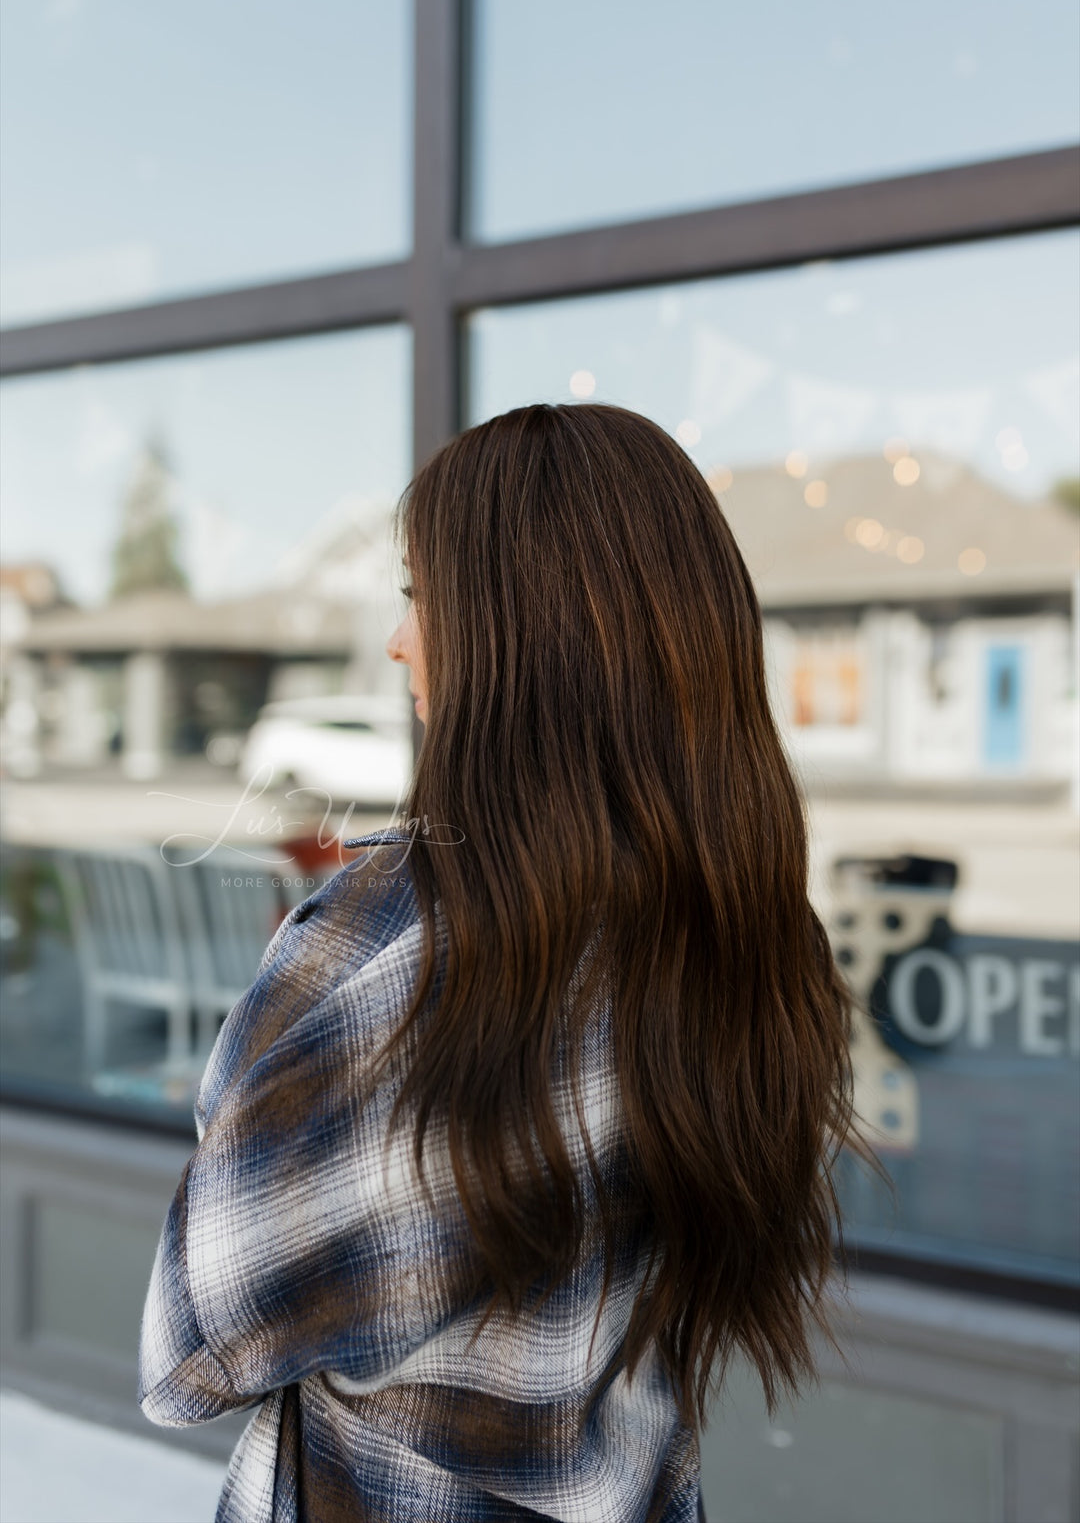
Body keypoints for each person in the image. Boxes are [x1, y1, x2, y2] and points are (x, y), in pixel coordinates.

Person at [139, 402, 870, 1522]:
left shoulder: (407, 932)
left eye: (419, 599)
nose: (400, 642)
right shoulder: (756, 929)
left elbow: (198, 1330)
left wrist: (301, 974)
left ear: (521, 630)